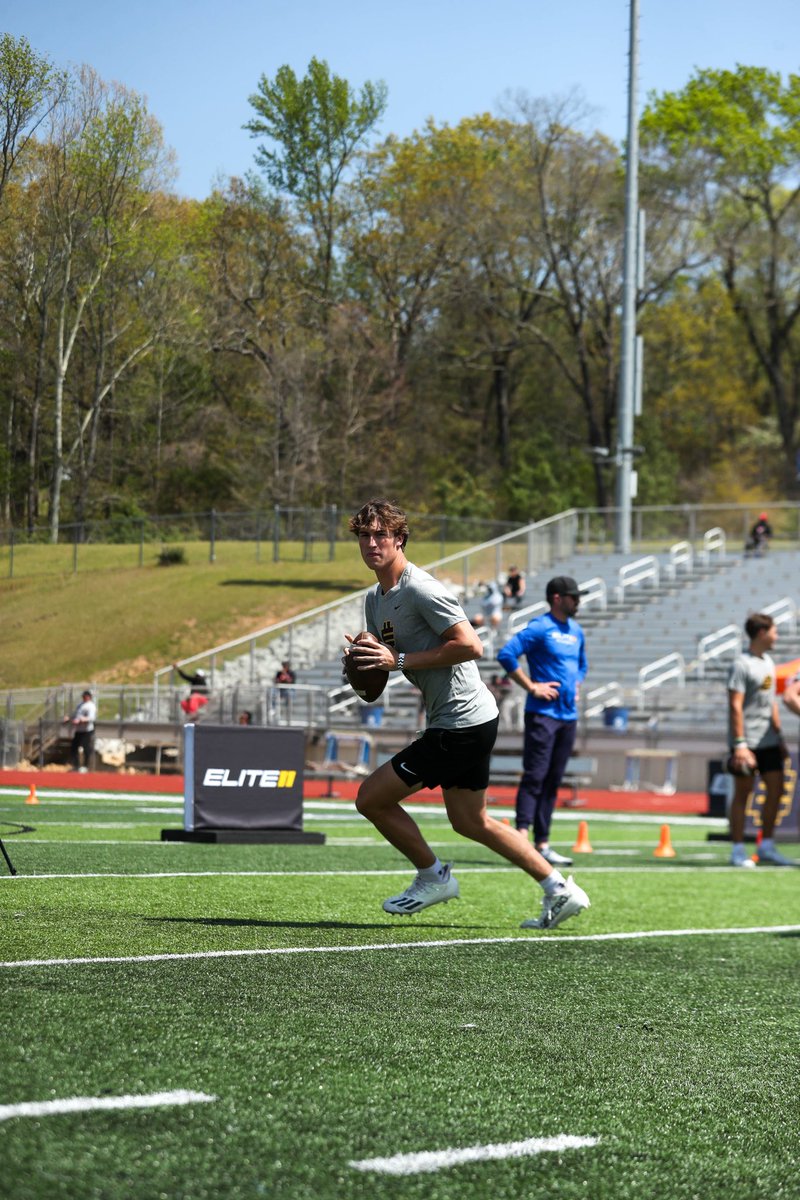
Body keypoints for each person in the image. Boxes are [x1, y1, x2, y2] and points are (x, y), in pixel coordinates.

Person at [344, 498, 590, 930]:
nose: (371, 542)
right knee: (470, 820)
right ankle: (559, 889)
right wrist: (366, 665)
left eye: (381, 534)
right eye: (364, 535)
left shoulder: (421, 588)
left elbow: (471, 645)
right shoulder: (375, 598)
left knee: (371, 798)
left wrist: (397, 661)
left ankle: (433, 876)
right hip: (466, 718)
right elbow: (379, 676)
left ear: (400, 539)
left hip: (461, 721)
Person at [496, 576, 588, 866]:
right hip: (542, 715)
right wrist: (531, 686)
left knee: (553, 780)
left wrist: (577, 685)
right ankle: (521, 837)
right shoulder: (540, 627)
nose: (578, 601)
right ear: (558, 598)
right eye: (574, 597)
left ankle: (543, 843)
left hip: (567, 717)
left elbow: (581, 665)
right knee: (535, 776)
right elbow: (507, 654)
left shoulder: (576, 631)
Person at [727, 613, 792, 866]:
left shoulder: (768, 663)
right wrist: (740, 744)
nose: (777, 636)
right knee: (744, 794)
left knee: (776, 790)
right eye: (774, 631)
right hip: (747, 742)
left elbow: (772, 703)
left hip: (769, 741)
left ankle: (766, 846)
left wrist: (779, 736)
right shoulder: (741, 664)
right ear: (762, 633)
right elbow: (735, 705)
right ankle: (738, 849)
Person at [63, 689, 97, 773]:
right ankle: (76, 765)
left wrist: (82, 720)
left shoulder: (91, 706)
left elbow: (91, 718)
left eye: (86, 696)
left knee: (86, 748)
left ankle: (86, 766)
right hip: (78, 730)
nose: (84, 697)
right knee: (74, 748)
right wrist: (69, 718)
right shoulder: (80, 705)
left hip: (86, 730)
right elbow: (76, 714)